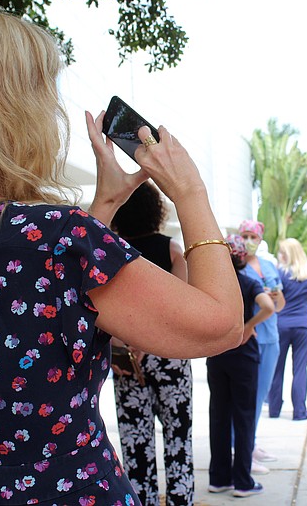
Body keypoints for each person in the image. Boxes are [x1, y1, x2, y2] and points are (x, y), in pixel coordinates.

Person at [0, 10, 242, 506]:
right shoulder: (57, 240)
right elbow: (221, 325)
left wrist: (105, 207)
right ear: (21, 109)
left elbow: (35, 306)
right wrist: (191, 192)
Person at [108, 182, 194, 506]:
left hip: (127, 356)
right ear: (155, 211)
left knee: (135, 443)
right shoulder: (172, 249)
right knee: (178, 440)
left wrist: (124, 342)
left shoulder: (111, 249)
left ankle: (140, 500)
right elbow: (182, 308)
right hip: (169, 354)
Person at [206, 235, 274, 498]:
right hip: (244, 357)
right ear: (243, 257)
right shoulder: (248, 282)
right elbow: (268, 307)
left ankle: (219, 477)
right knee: (244, 417)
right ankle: (243, 481)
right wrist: (248, 327)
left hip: (218, 355)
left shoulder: (214, 288)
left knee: (219, 415)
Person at [237, 220, 285, 473]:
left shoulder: (268, 265)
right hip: (250, 337)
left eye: (251, 236)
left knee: (260, 395)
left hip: (271, 337)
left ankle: (251, 443)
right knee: (247, 397)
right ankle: (242, 450)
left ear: (260, 238)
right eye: (243, 235)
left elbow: (280, 305)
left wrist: (275, 296)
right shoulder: (238, 267)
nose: (247, 240)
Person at [268, 238, 307, 421]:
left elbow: (273, 299)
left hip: (281, 324)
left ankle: (274, 409)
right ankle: (299, 411)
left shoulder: (279, 274)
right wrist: (305, 306)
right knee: (300, 369)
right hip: (303, 325)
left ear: (286, 254)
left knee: (277, 368)